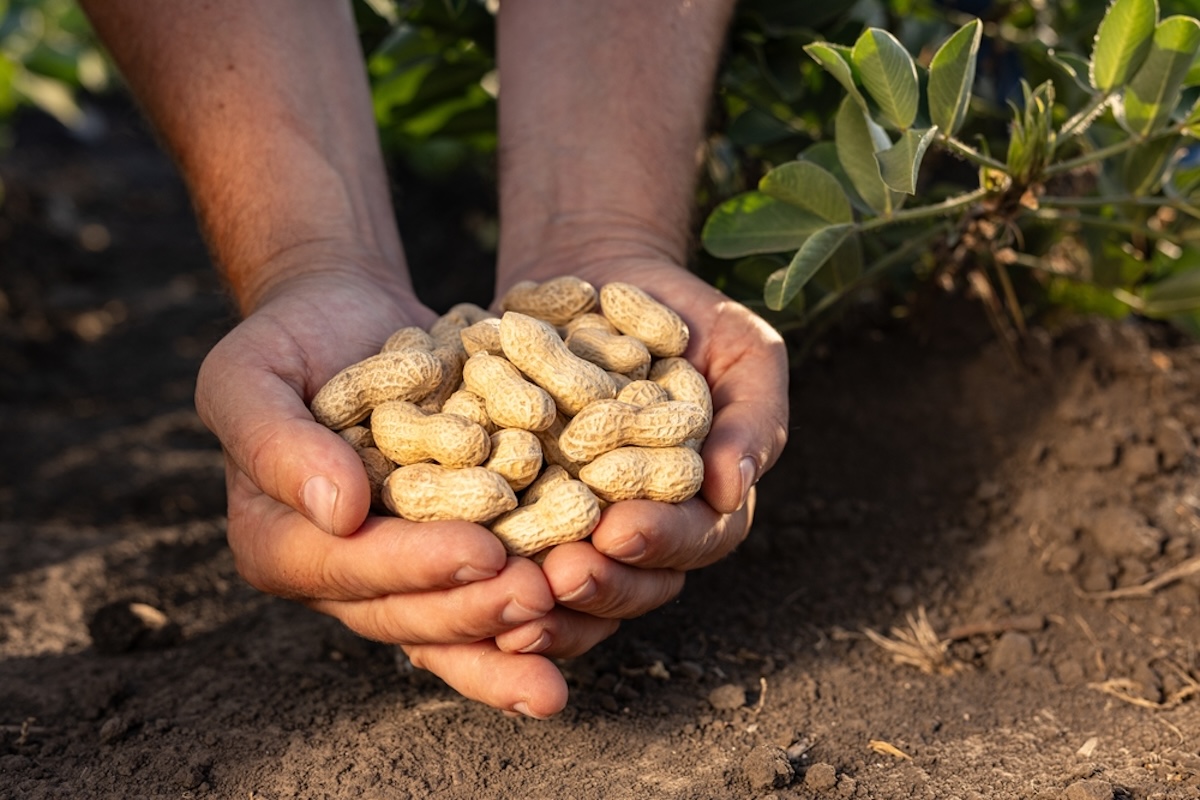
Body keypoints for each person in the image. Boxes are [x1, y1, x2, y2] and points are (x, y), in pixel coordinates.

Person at [79, 0, 790, 718]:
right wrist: (307, 258)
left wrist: (605, 227)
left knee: (545, 460)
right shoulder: (462, 387)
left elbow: (564, 427)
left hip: (550, 422)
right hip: (490, 428)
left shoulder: (568, 382)